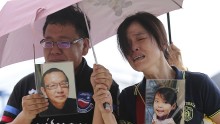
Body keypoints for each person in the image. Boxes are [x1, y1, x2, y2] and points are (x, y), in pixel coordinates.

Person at [92, 12, 220, 124]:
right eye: (127, 44)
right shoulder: (128, 97)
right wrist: (104, 109)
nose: (133, 47)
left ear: (162, 41)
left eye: (140, 38)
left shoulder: (198, 83)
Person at [0, 6, 119, 124]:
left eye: (64, 43)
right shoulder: (25, 85)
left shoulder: (103, 84)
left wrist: (101, 96)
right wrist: (25, 116)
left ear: (85, 46)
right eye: (48, 42)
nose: (54, 50)